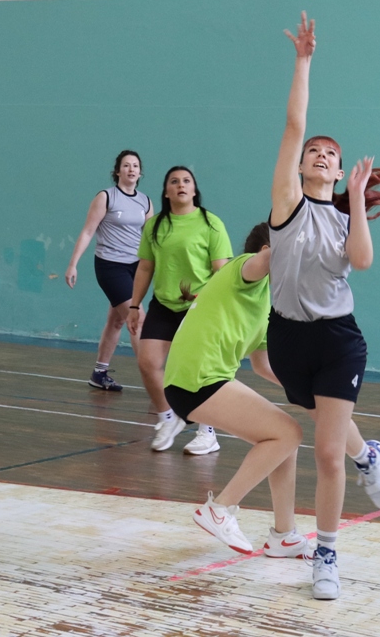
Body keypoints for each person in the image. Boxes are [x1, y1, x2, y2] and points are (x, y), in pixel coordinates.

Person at [267, 12, 380, 600]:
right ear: (300, 165)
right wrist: (303, 60)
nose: (320, 155)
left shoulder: (347, 217)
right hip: (287, 338)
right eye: (313, 151)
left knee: (325, 451)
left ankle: (325, 554)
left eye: (330, 154)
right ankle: (368, 455)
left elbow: (362, 262)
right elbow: (294, 123)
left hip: (338, 338)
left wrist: (357, 200)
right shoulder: (287, 204)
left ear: (340, 171)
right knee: (326, 422)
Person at [163, 223, 306, 556]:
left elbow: (263, 365)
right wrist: (298, 225)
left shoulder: (265, 300)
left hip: (205, 379)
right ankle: (220, 509)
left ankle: (283, 535)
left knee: (286, 438)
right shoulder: (242, 269)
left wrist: (307, 392)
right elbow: (267, 258)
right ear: (267, 250)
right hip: (196, 377)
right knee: (287, 433)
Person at [127, 166, 233, 455]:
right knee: (148, 362)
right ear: (166, 192)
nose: (181, 185)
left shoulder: (211, 224)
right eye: (174, 182)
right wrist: (134, 305)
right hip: (163, 304)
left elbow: (222, 271)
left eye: (187, 181)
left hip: (199, 307)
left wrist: (213, 303)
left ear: (194, 190)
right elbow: (145, 267)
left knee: (199, 371)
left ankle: (207, 431)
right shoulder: (155, 226)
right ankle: (168, 418)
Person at [65, 150, 152, 391]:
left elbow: (151, 239)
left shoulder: (145, 202)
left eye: (135, 166)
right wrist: (73, 264)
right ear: (117, 171)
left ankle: (99, 373)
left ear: (140, 173)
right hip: (110, 266)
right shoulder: (106, 197)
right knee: (137, 319)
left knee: (117, 321)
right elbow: (87, 231)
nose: (131, 169)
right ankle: (154, 379)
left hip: (136, 268)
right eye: (126, 165)